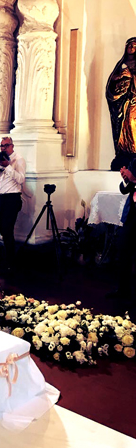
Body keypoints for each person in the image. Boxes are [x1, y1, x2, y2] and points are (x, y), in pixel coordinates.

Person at [0, 136, 26, 270]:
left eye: (5, 145)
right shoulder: (0, 159)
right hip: (2, 197)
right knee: (3, 230)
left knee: (8, 230)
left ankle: (11, 263)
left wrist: (8, 167)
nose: (3, 148)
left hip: (13, 198)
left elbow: (21, 179)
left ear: (12, 146)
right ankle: (8, 260)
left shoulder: (19, 159)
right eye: (1, 145)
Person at [107, 157, 136, 299]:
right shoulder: (134, 161)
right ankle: (123, 290)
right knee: (123, 250)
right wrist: (126, 179)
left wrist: (134, 179)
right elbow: (125, 190)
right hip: (132, 214)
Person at [106, 37, 136, 170]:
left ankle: (134, 153)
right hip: (124, 104)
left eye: (135, 46)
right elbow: (111, 84)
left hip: (134, 102)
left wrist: (131, 76)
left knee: (133, 125)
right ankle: (124, 152)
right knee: (124, 127)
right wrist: (121, 76)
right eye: (130, 45)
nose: (132, 48)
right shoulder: (120, 64)